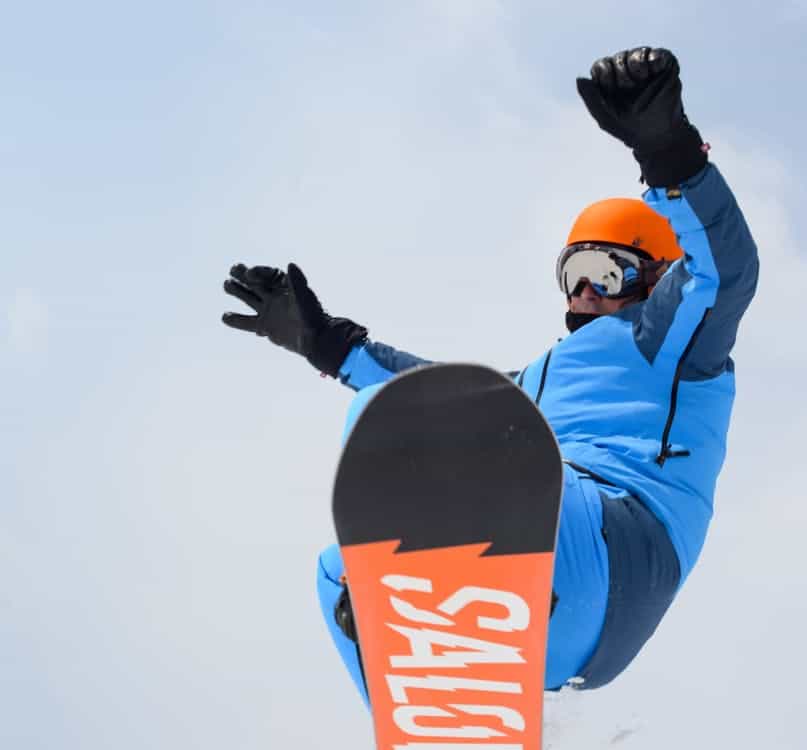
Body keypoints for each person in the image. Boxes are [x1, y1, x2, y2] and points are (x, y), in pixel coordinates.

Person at [222, 47, 759, 702]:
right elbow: (425, 388)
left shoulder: (671, 338)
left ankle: (478, 589)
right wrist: (325, 343)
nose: (585, 293)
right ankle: (433, 701)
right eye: (573, 275)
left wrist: (670, 155)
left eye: (606, 272)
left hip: (615, 545)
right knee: (338, 571)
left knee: (409, 423)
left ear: (655, 276)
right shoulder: (531, 388)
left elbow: (723, 271)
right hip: (565, 631)